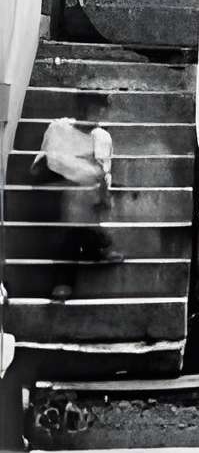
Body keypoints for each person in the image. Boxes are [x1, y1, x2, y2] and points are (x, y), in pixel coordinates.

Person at [30, 88, 120, 300]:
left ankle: (66, 278)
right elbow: (51, 164)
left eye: (100, 111)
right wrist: (84, 172)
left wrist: (99, 187)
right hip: (51, 189)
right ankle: (98, 244)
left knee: (77, 203)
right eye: (90, 109)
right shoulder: (58, 128)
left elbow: (102, 172)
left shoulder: (102, 136)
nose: (95, 116)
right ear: (79, 108)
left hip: (79, 198)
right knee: (75, 198)